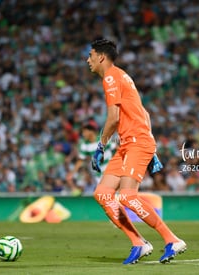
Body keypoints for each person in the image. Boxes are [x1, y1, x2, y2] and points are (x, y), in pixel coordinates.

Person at [87, 38, 187, 264]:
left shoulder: (111, 76)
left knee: (127, 196)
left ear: (101, 56)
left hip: (135, 142)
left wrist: (101, 145)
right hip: (129, 143)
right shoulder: (122, 76)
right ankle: (138, 242)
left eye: (91, 55)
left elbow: (113, 118)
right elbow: (144, 113)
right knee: (102, 193)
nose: (88, 60)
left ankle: (172, 239)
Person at [66, 120, 116, 194]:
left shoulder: (103, 140)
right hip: (99, 174)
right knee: (104, 196)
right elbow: (80, 160)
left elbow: (116, 148)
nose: (83, 134)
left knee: (114, 194)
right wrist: (72, 173)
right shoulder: (84, 145)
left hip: (111, 171)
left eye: (84, 132)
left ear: (91, 131)